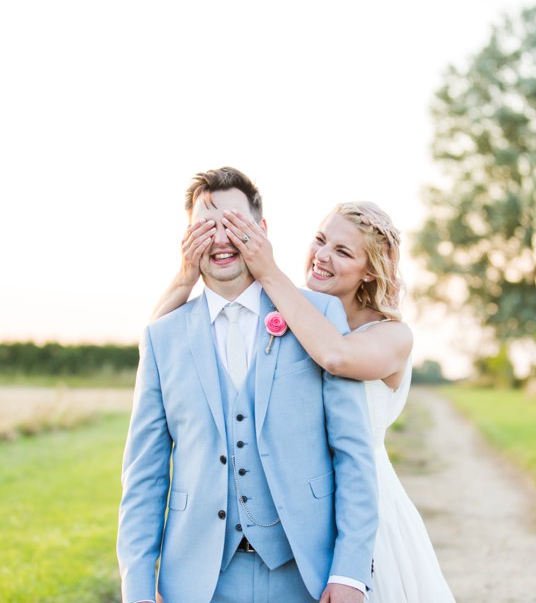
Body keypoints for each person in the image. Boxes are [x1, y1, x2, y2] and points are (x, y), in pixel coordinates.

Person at [154, 198, 456, 602]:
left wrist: (267, 270)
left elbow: (336, 355)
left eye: (343, 251)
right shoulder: (290, 310)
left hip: (362, 513)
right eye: (320, 240)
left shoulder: (392, 336)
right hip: (299, 519)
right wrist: (185, 278)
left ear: (370, 271)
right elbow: (160, 349)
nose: (322, 256)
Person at [117, 167, 378, 603]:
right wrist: (139, 590)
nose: (220, 239)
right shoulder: (162, 337)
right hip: (199, 583)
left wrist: (350, 572)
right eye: (206, 227)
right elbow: (143, 477)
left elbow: (353, 452)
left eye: (233, 224)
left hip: (305, 573)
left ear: (261, 230)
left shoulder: (319, 318)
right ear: (187, 239)